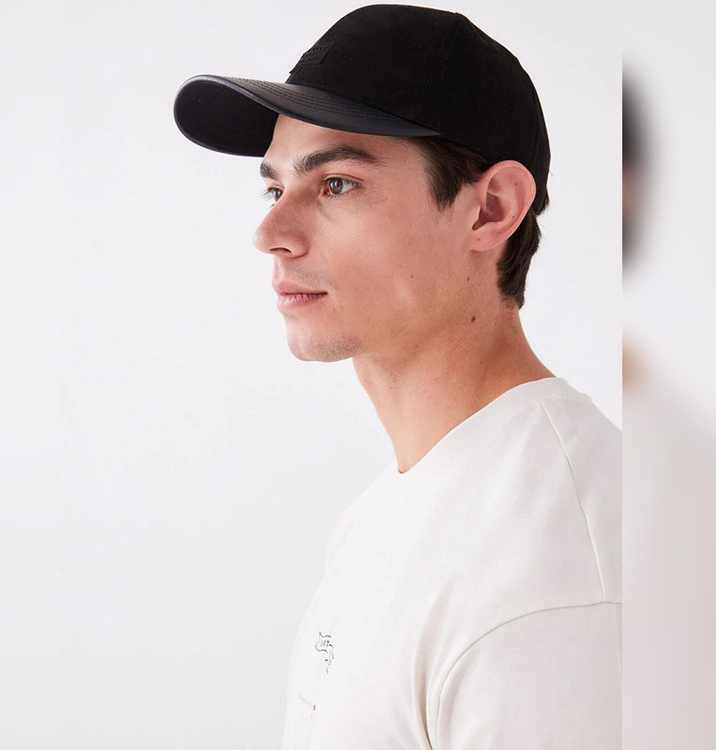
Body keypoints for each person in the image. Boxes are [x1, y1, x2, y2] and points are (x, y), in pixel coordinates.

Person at [174, 5, 620, 748]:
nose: (271, 234)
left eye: (337, 184)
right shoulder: (396, 508)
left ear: (491, 209)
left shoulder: (556, 567)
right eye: (274, 188)